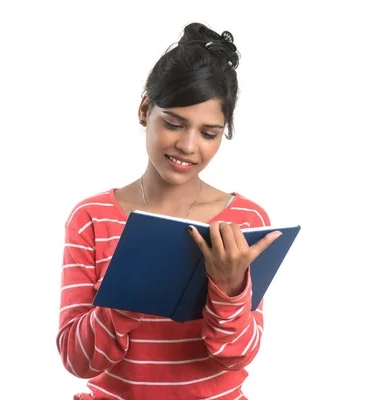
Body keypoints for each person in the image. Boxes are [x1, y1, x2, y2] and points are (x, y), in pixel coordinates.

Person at [56, 22, 282, 400]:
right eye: (173, 124)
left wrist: (229, 290)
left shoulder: (244, 221)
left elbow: (238, 356)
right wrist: (125, 295)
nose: (189, 146)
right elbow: (77, 361)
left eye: (209, 133)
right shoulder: (92, 218)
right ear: (145, 110)